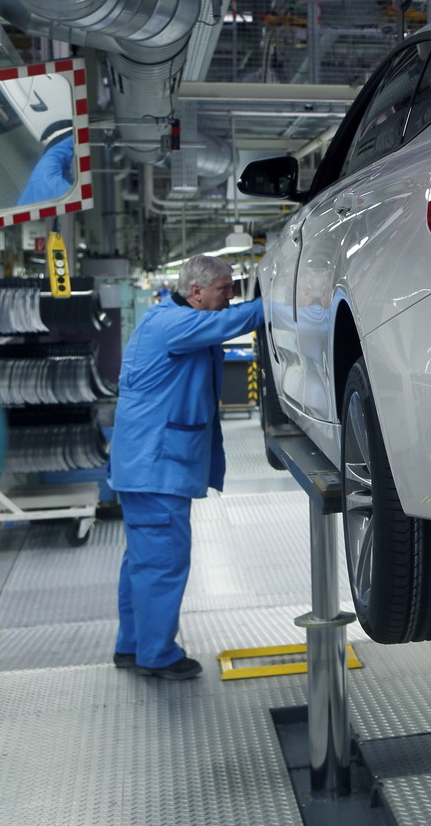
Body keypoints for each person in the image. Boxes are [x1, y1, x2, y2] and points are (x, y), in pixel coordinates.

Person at [108, 255, 263, 679]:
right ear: (195, 292)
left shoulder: (175, 318)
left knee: (143, 562)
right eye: (224, 289)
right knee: (162, 563)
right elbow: (234, 322)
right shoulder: (173, 324)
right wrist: (283, 300)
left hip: (147, 465)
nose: (230, 296)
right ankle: (157, 655)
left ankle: (132, 646)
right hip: (155, 468)